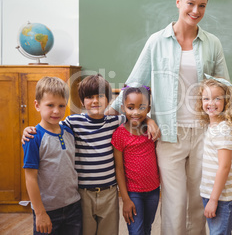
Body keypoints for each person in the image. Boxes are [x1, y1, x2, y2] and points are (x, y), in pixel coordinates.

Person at [106, 0, 230, 234]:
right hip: (168, 133)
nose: (196, 11)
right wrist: (105, 114)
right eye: (190, 4)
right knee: (175, 201)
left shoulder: (212, 43)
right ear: (178, 2)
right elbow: (135, 83)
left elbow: (224, 86)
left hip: (203, 133)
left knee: (197, 198)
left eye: (202, 6)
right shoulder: (157, 41)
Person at [22, 74, 159, 235]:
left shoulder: (116, 121)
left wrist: (150, 121)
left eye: (100, 96)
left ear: (108, 100)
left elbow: (136, 117)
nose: (95, 101)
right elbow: (50, 127)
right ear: (81, 101)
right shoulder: (72, 123)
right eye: (89, 97)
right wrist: (28, 129)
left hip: (109, 193)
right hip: (83, 194)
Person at [22, 76, 82, 234]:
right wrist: (40, 213)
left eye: (61, 105)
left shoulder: (69, 132)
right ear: (37, 105)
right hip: (47, 211)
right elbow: (30, 178)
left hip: (73, 207)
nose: (56, 111)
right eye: (50, 105)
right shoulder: (33, 137)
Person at [195, 76, 232, 235]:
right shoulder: (212, 126)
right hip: (212, 194)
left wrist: (214, 200)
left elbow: (224, 167)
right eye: (206, 98)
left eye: (217, 99)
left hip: (224, 197)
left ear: (226, 102)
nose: (211, 103)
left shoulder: (223, 129)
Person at [112, 86, 160, 235]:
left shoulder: (151, 130)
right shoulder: (120, 134)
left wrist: (150, 120)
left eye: (142, 108)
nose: (136, 112)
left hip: (153, 191)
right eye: (130, 108)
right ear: (123, 108)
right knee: (136, 231)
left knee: (147, 228)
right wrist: (125, 199)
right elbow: (119, 169)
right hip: (133, 193)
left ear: (148, 109)